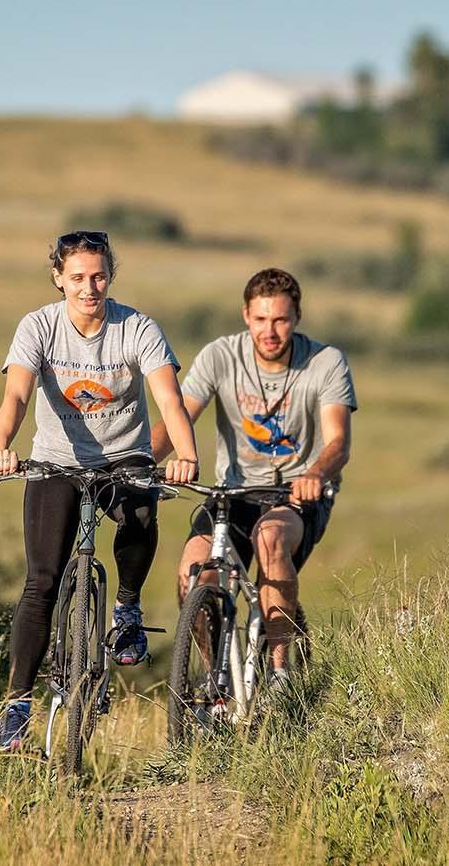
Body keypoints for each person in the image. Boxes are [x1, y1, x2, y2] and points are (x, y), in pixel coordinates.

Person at [0, 230, 199, 753]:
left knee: (140, 517)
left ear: (111, 276)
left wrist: (186, 454)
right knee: (42, 581)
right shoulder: (38, 326)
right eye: (77, 278)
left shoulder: (137, 328)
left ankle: (126, 609)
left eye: (98, 276)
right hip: (57, 460)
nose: (89, 288)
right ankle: (16, 705)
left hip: (124, 456)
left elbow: (170, 400)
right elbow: (16, 393)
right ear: (59, 277)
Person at [151, 268, 357, 686]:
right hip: (233, 492)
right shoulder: (220, 357)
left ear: (297, 317)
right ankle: (215, 681)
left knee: (270, 538)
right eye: (261, 320)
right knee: (194, 566)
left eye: (280, 320)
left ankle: (280, 671)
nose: (270, 331)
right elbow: (179, 420)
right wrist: (139, 463)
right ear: (246, 315)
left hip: (297, 493)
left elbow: (338, 441)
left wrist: (315, 472)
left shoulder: (324, 361)